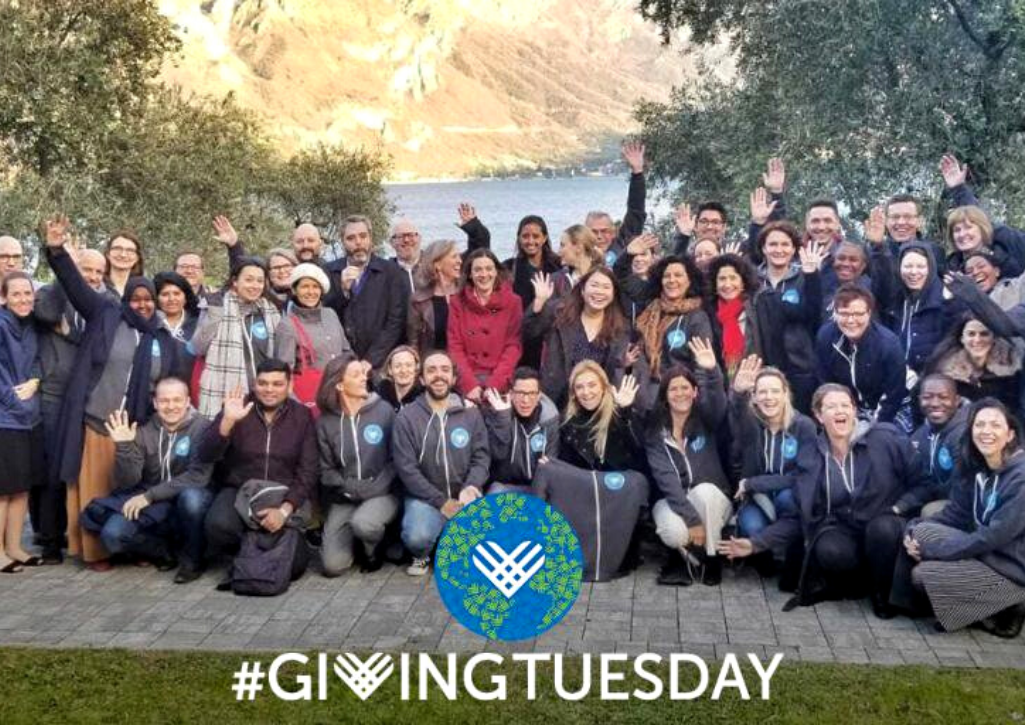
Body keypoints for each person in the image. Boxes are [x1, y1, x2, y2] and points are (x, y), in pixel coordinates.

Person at [44, 218, 179, 569]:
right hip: (96, 419)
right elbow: (75, 286)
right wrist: (58, 252)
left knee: (126, 490)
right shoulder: (105, 312)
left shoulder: (159, 338)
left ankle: (128, 545)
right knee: (93, 488)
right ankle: (94, 552)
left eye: (149, 299)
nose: (142, 304)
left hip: (132, 427)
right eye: (135, 298)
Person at [786, 384, 930, 618]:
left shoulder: (886, 437)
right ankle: (859, 581)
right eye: (831, 407)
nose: (839, 411)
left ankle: (882, 594)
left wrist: (899, 506)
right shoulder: (813, 451)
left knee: (881, 530)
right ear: (819, 415)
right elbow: (800, 489)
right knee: (829, 549)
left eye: (845, 405)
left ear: (854, 410)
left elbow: (924, 483)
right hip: (846, 524)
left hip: (887, 521)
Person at [896, 398, 1025, 638]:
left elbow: (991, 537)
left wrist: (936, 551)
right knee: (922, 532)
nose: (986, 431)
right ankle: (970, 606)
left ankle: (1010, 602)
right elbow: (956, 514)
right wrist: (912, 528)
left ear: (1010, 434)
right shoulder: (979, 466)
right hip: (987, 555)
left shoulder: (1020, 478)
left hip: (1012, 568)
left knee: (922, 575)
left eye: (995, 425)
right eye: (979, 425)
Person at [197, 359, 318, 589]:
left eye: (277, 383)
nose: (269, 389)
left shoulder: (302, 416)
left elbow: (308, 469)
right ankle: (250, 555)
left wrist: (284, 510)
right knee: (218, 526)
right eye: (263, 383)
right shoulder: (237, 407)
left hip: (283, 493)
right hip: (239, 489)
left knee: (296, 566)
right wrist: (227, 422)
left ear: (289, 386)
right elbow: (205, 453)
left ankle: (252, 558)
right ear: (254, 385)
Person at [78, 378, 213, 580]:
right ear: (155, 403)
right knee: (113, 536)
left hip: (185, 497)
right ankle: (161, 551)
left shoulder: (203, 427)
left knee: (192, 499)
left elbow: (198, 476)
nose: (171, 406)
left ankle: (193, 559)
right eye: (164, 401)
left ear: (187, 401)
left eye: (177, 400)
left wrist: (149, 496)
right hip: (154, 503)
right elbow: (128, 481)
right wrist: (124, 446)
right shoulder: (143, 430)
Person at [32, 248, 112, 563]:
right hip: (55, 395)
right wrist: (64, 273)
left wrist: (72, 333)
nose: (91, 277)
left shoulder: (104, 302)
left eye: (97, 272)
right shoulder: (53, 294)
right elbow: (47, 315)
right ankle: (51, 540)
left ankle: (81, 534)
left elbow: (98, 341)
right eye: (85, 269)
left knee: (81, 469)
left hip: (88, 398)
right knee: (55, 469)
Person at [534, 362, 647, 581]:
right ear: (574, 393)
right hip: (585, 492)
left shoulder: (621, 415)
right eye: (580, 387)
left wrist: (624, 411)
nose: (586, 392)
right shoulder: (569, 423)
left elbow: (637, 453)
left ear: (604, 386)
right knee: (546, 469)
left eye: (592, 385)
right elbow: (568, 469)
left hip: (618, 492)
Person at [391, 351, 490, 576]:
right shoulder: (407, 418)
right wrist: (441, 502)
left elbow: (481, 457)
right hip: (425, 498)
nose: (439, 376)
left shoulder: (470, 414)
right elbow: (407, 470)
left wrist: (471, 486)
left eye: (445, 370)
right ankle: (423, 553)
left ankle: (448, 538)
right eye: (432, 370)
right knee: (418, 537)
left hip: (464, 495)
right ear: (422, 378)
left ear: (454, 378)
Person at [646, 343, 732, 586]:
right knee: (674, 533)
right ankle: (691, 553)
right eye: (673, 389)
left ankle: (711, 558)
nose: (680, 393)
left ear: (695, 392)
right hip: (676, 501)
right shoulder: (655, 434)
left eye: (686, 388)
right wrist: (692, 521)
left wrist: (712, 372)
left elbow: (719, 403)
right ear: (664, 395)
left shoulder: (707, 419)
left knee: (704, 492)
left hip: (714, 502)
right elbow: (666, 480)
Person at [726, 358, 817, 571]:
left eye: (775, 391)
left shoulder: (803, 426)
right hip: (757, 500)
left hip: (788, 495)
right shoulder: (751, 424)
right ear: (755, 397)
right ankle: (763, 550)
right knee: (753, 527)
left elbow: (801, 476)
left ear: (786, 394)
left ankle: (790, 547)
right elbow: (737, 410)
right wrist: (738, 392)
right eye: (762, 392)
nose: (769, 398)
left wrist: (752, 483)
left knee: (788, 498)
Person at [315, 355, 399, 576]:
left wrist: (375, 488)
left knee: (364, 523)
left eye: (363, 373)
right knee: (332, 566)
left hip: (382, 491)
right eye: (356, 375)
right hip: (346, 495)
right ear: (339, 385)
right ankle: (357, 543)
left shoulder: (384, 411)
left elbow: (396, 459)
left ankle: (373, 551)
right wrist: (348, 487)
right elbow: (325, 469)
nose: (364, 378)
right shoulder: (325, 422)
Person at [526, 267, 641, 409]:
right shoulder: (559, 313)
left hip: (597, 403)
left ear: (613, 295)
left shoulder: (620, 328)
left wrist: (623, 366)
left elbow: (616, 370)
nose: (599, 291)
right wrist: (538, 303)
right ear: (582, 290)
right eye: (594, 285)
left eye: (606, 287)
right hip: (558, 399)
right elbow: (529, 333)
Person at [192, 257, 281, 419]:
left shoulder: (270, 311)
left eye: (260, 281)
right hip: (225, 393)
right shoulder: (217, 306)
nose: (255, 286)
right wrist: (214, 315)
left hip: (263, 394)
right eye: (248, 280)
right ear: (235, 281)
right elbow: (198, 347)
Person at [752, 221, 824, 412]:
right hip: (762, 366)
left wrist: (812, 277)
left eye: (785, 244)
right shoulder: (752, 281)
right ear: (763, 249)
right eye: (773, 244)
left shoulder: (804, 277)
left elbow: (814, 314)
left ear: (794, 249)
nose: (779, 250)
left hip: (799, 367)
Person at [0, 271, 44, 572]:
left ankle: (15, 546)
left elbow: (40, 361)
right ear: (4, 297)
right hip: (7, 419)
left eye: (27, 293)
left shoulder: (32, 325)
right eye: (16, 294)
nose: (23, 299)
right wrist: (13, 402)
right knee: (3, 489)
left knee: (22, 487)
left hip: (30, 418)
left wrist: (37, 381)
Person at [616, 246, 713, 379]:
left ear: (689, 280)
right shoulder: (649, 309)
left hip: (677, 393)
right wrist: (626, 365)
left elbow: (702, 368)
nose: (672, 280)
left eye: (678, 275)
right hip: (643, 393)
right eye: (666, 276)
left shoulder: (697, 318)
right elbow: (622, 276)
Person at [325, 215, 408, 369]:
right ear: (343, 242)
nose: (358, 242)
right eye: (351, 238)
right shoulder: (330, 272)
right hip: (342, 363)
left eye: (363, 236)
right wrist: (343, 291)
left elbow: (395, 322)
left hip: (381, 363)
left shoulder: (391, 272)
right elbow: (325, 317)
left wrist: (370, 360)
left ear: (370, 238)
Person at [815, 286, 905, 423]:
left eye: (858, 314)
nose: (851, 321)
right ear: (835, 313)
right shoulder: (826, 337)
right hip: (849, 408)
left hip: (889, 408)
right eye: (844, 314)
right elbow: (826, 384)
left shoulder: (889, 345)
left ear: (869, 313)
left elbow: (893, 395)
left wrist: (873, 426)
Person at [447, 249, 523, 402]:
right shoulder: (457, 302)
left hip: (500, 378)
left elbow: (514, 346)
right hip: (468, 378)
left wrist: (494, 385)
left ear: (496, 272)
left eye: (489, 269)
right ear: (470, 274)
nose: (484, 274)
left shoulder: (513, 301)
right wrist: (469, 384)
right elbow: (454, 346)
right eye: (478, 270)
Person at [274, 263, 351, 409]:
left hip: (342, 394)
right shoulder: (287, 325)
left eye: (315, 287)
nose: (311, 292)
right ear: (294, 290)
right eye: (305, 286)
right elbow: (284, 372)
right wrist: (297, 409)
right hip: (310, 400)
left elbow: (346, 351)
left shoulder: (330, 314)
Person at [941, 154, 1025, 277]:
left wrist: (959, 189)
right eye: (957, 230)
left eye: (969, 227)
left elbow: (977, 217)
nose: (963, 234)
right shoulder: (951, 269)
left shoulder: (1007, 255)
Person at [882, 242, 958, 376]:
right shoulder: (895, 301)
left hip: (932, 382)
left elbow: (952, 346)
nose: (913, 272)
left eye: (920, 266)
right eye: (908, 266)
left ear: (931, 268)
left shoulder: (946, 299)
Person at [481, 367, 559, 493]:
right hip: (504, 486)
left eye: (531, 393)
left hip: (537, 487)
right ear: (511, 394)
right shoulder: (499, 413)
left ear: (539, 395)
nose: (525, 400)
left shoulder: (550, 419)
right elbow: (497, 454)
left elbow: (551, 464)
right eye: (520, 393)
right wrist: (503, 419)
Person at [906, 374, 968, 518]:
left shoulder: (965, 433)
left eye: (943, 397)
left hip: (962, 505)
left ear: (957, 400)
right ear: (919, 400)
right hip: (929, 496)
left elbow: (959, 486)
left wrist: (918, 496)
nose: (934, 403)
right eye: (927, 397)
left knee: (929, 512)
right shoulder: (918, 436)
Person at [584, 140, 647, 267]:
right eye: (594, 232)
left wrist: (637, 172)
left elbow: (636, 211)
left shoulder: (624, 246)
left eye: (604, 231)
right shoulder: (578, 255)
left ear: (613, 232)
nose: (599, 237)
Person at [704, 253, 764, 380]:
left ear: (743, 283)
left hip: (759, 382)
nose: (727, 284)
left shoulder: (758, 308)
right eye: (722, 279)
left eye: (733, 278)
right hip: (722, 385)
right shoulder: (708, 314)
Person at [407, 239, 461, 356]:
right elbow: (414, 343)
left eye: (459, 257)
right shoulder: (419, 300)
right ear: (437, 264)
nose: (460, 261)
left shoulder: (467, 294)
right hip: (433, 365)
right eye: (454, 257)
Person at [154, 271, 200, 381]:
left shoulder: (198, 325)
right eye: (165, 294)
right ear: (155, 298)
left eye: (177, 293)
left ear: (185, 297)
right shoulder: (149, 326)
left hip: (190, 394)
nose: (171, 299)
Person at [376, 345, 423, 411]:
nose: (403, 370)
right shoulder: (380, 395)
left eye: (408, 365)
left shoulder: (424, 396)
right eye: (397, 366)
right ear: (390, 370)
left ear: (416, 368)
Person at [103, 229, 144, 297]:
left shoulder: (143, 288)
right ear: (108, 254)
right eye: (117, 248)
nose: (123, 255)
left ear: (137, 257)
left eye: (130, 250)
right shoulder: (97, 285)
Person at [389, 219, 422, 293]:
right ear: (391, 242)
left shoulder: (432, 267)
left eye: (411, 235)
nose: (406, 240)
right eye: (400, 236)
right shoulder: (385, 273)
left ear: (419, 239)